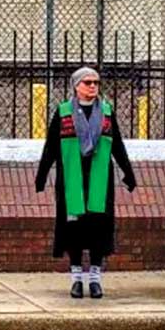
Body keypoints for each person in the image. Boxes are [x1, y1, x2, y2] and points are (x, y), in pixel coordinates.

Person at [35, 67, 136, 299]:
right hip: (72, 179)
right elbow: (50, 147)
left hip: (100, 180)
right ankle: (77, 278)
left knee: (98, 228)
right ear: (76, 86)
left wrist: (128, 173)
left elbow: (118, 145)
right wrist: (41, 177)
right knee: (75, 230)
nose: (93, 86)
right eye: (88, 82)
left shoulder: (107, 113)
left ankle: (96, 278)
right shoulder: (63, 112)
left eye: (96, 83)